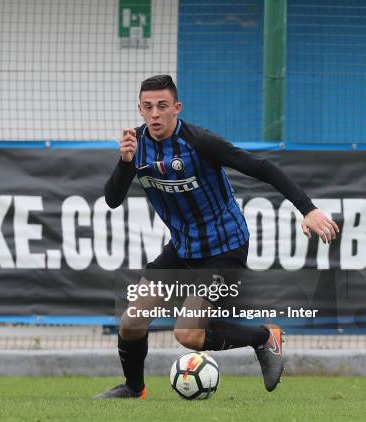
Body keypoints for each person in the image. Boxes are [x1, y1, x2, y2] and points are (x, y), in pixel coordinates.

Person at [95, 75, 339, 399]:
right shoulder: (135, 146)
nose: (155, 114)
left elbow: (263, 168)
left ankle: (265, 337)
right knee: (131, 322)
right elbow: (112, 199)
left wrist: (307, 209)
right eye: (148, 107)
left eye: (162, 106)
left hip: (225, 247)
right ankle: (134, 388)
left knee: (188, 334)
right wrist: (125, 164)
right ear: (140, 109)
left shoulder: (200, 142)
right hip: (183, 249)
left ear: (176, 108)